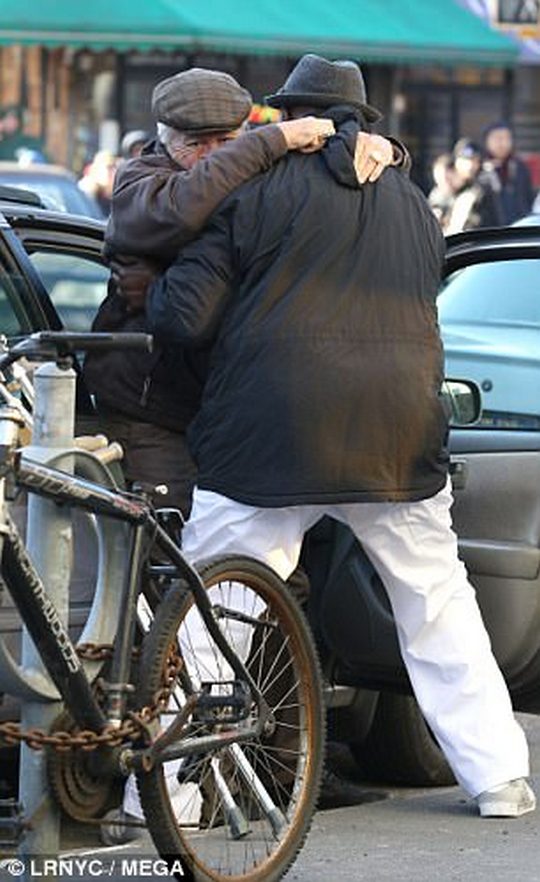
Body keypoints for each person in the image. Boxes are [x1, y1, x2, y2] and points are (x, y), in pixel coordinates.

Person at [145, 53, 535, 819]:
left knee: (215, 612)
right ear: (363, 122)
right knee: (436, 604)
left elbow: (183, 315)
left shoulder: (254, 191)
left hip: (269, 431)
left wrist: (153, 287)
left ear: (293, 117)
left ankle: (172, 798)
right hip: (397, 433)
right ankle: (498, 777)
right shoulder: (412, 201)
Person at [84, 67, 405, 518]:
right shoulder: (142, 177)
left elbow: (331, 185)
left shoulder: (256, 168)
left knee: (232, 543)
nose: (212, 155)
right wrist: (268, 141)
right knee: (167, 532)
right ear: (164, 139)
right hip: (150, 408)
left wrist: (386, 151)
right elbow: (184, 206)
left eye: (225, 141)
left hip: (228, 409)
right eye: (196, 144)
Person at [444, 138, 503, 234]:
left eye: (474, 160)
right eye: (465, 160)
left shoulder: (481, 192)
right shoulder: (444, 189)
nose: (470, 165)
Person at [482, 121, 535, 225]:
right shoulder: (478, 168)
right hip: (489, 230)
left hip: (519, 226)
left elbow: (528, 198)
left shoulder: (519, 167)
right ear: (486, 141)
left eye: (506, 138)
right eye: (497, 138)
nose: (502, 143)